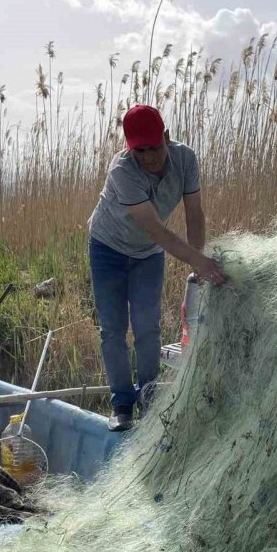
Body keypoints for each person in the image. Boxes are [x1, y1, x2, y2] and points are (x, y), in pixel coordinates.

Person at [88, 105, 226, 431]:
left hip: (147, 255)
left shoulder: (185, 159)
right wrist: (198, 262)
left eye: (154, 147)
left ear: (166, 136)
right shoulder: (122, 171)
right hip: (107, 249)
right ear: (129, 149)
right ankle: (122, 403)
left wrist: (199, 259)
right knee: (113, 328)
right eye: (140, 151)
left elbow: (194, 213)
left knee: (147, 327)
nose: (149, 157)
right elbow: (156, 230)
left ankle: (148, 398)